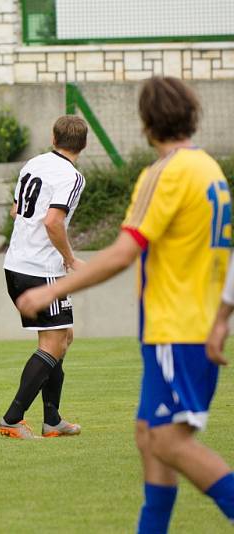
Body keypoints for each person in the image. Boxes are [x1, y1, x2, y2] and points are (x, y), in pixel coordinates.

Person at [16, 77, 234, 532]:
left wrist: (53, 287)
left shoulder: (165, 174)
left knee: (169, 443)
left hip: (178, 329)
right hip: (182, 328)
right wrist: (223, 319)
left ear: (146, 123)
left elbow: (124, 250)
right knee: (147, 438)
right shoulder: (209, 169)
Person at [0, 115, 88, 439]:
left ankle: (52, 419)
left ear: (53, 137)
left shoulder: (33, 164)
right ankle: (12, 418)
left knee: (63, 338)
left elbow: (15, 210)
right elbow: (53, 222)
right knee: (54, 343)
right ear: (84, 144)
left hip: (16, 262)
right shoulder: (72, 177)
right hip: (40, 269)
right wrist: (70, 259)